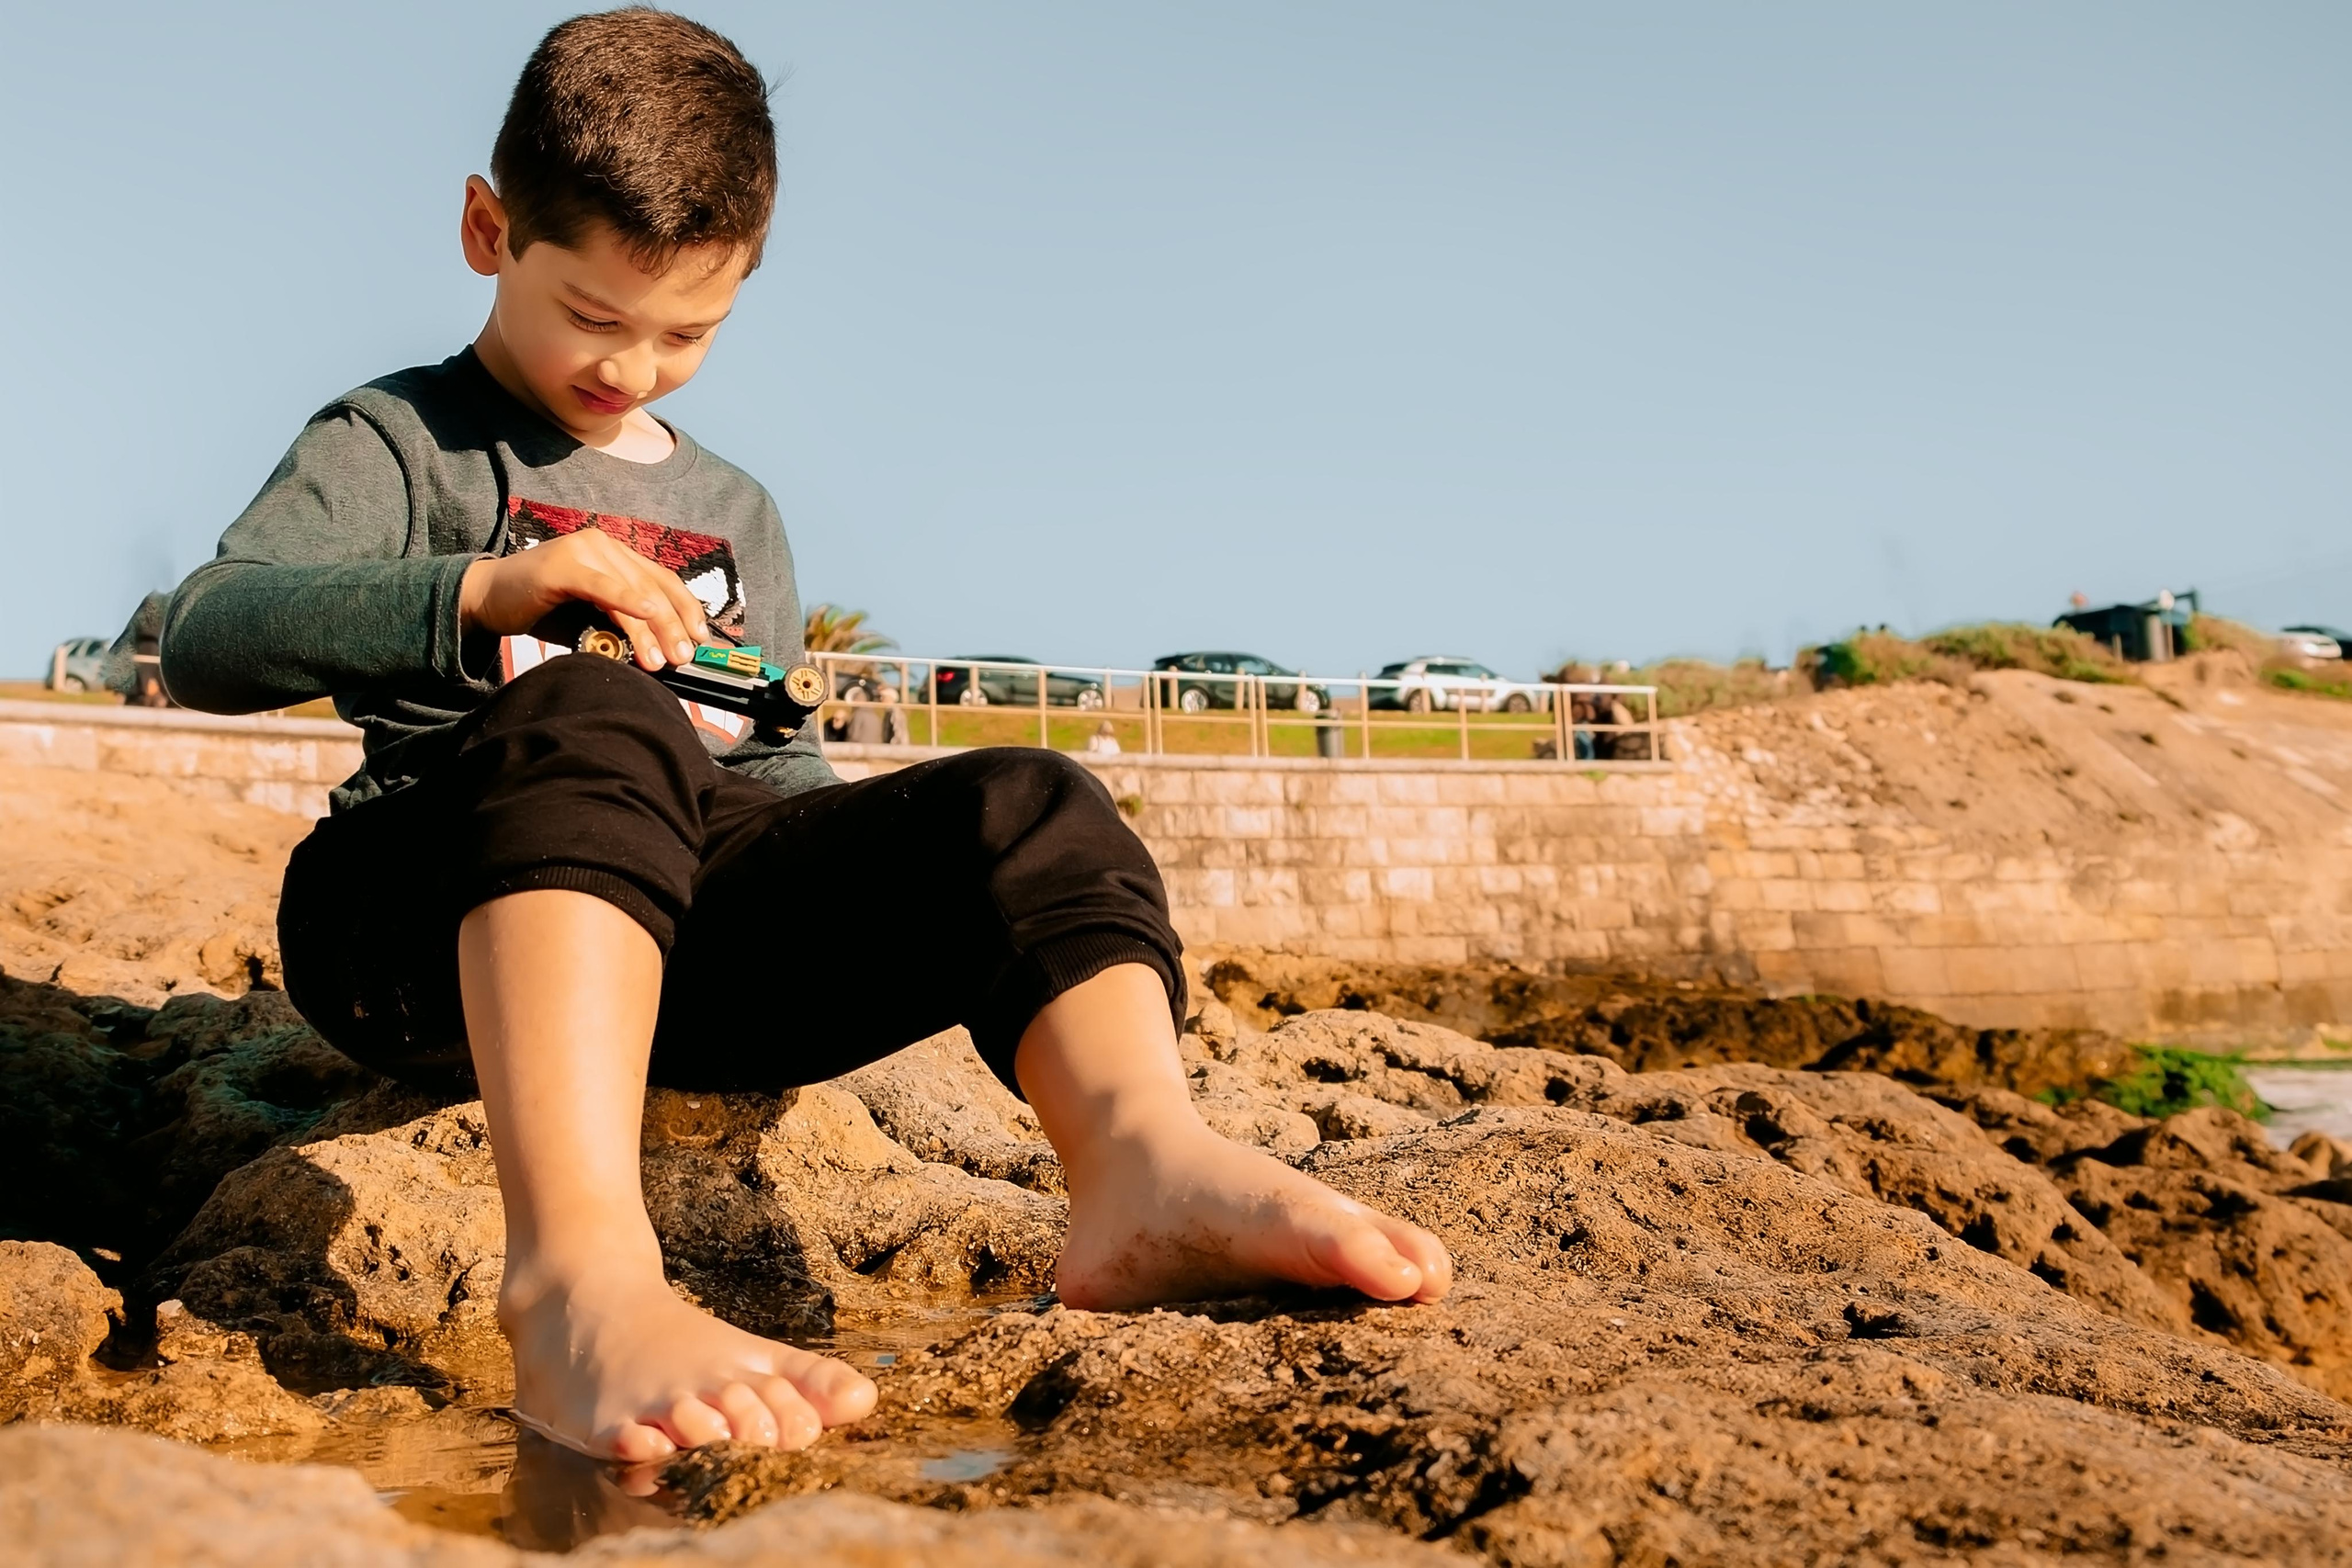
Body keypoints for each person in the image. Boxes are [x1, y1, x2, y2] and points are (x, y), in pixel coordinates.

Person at [157, 10, 1448, 1468]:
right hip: (421, 924)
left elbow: (769, 770)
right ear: (487, 230)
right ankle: (580, 1287)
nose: (632, 369)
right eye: (593, 316)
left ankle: (1142, 1167)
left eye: (686, 334)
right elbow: (207, 632)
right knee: (598, 706)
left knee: (1028, 799)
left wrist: (867, 868)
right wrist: (482, 592)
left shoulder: (738, 511)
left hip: (679, 951)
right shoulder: (398, 439)